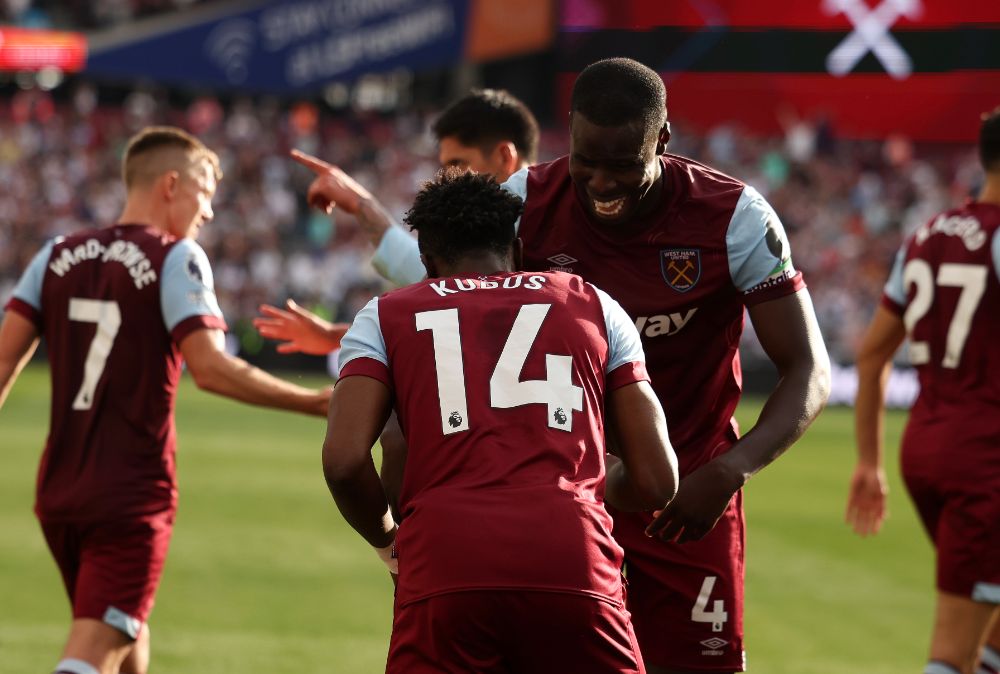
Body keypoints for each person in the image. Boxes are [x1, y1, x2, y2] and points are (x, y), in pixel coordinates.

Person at [302, 58, 832, 674]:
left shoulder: (735, 218)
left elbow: (808, 369)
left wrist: (731, 470)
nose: (602, 183)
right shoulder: (524, 200)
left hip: (686, 494)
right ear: (569, 136)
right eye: (587, 162)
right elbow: (451, 317)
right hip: (556, 493)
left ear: (662, 141)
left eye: (622, 165)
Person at [0, 126, 331, 674]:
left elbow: (4, 361)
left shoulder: (55, 253)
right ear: (171, 185)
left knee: (123, 627)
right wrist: (315, 403)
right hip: (129, 495)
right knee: (92, 653)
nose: (209, 213)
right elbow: (211, 368)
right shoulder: (176, 256)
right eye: (205, 193)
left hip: (59, 488)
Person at [321, 168, 679, 674]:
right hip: (573, 560)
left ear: (425, 259)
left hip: (445, 564)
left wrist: (389, 547)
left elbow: (343, 461)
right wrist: (584, 483)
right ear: (516, 246)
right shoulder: (596, 304)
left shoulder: (384, 315)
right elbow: (657, 479)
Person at [847, 107, 1000, 674]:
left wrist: (869, 461)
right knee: (952, 649)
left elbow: (871, 353)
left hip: (927, 448)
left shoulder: (926, 236)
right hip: (985, 458)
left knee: (989, 608)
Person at [253, 88, 539, 354]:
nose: (448, 177)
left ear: (504, 156)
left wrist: (361, 204)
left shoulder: (558, 227)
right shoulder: (505, 231)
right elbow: (451, 289)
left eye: (458, 163)